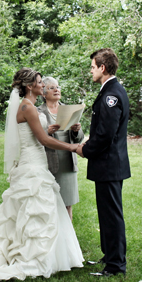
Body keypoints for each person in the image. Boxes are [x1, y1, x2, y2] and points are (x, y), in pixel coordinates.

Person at [0, 68, 83, 281]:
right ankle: (29, 258)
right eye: (39, 82)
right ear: (30, 86)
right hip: (32, 164)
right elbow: (43, 142)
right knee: (34, 209)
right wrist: (73, 148)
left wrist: (49, 129)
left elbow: (39, 135)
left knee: (36, 210)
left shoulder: (29, 107)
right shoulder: (27, 107)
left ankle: (44, 255)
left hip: (37, 162)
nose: (43, 86)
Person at [76, 49, 131, 277]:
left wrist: (84, 149)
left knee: (111, 215)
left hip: (109, 164)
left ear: (103, 68)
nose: (91, 70)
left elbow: (106, 135)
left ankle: (116, 266)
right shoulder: (110, 90)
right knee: (106, 213)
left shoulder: (111, 94)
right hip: (109, 165)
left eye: (92, 66)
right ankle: (109, 255)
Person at [38, 76, 82, 220]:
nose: (57, 90)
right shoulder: (38, 112)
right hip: (48, 161)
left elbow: (79, 138)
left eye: (58, 87)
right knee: (49, 203)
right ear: (44, 93)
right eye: (52, 88)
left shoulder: (68, 110)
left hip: (68, 162)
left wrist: (76, 130)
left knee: (67, 203)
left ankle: (68, 240)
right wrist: (47, 132)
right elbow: (35, 138)